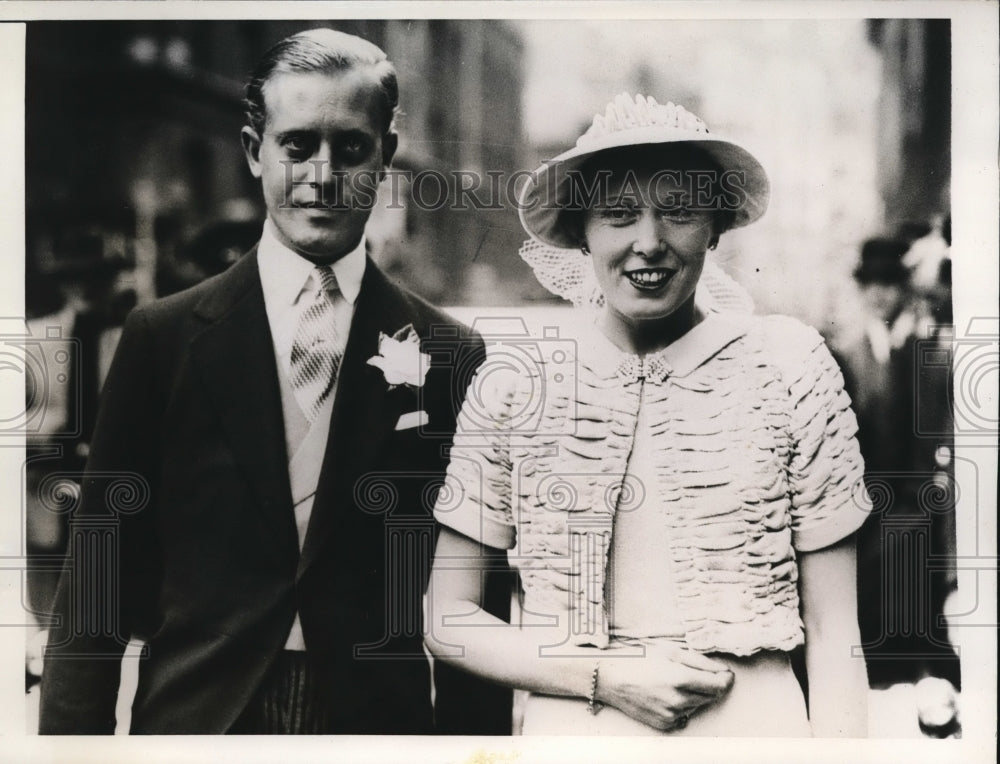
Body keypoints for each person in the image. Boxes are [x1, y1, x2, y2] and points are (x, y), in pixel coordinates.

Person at [39, 28, 508, 735]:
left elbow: (475, 607)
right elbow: (97, 578)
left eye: (350, 148)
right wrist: (70, 750)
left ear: (386, 156)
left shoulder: (451, 354)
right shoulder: (163, 339)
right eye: (297, 146)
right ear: (256, 151)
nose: (322, 174)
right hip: (198, 720)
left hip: (375, 729)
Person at [425, 94, 870, 736]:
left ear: (716, 227)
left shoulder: (791, 366)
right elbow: (448, 616)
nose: (649, 243)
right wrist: (603, 677)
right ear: (581, 231)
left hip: (753, 733)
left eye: (680, 213)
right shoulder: (516, 381)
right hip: (577, 730)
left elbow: (834, 629)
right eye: (619, 215)